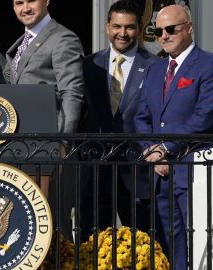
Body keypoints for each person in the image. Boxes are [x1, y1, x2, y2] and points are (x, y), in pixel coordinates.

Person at [0, 0, 85, 240]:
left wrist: (62, 142)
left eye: (31, 1)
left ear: (46, 1)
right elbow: (7, 81)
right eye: (18, 3)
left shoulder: (63, 38)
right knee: (27, 228)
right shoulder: (24, 41)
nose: (25, 8)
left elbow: (71, 93)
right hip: (21, 150)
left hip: (51, 151)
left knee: (54, 228)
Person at [135, 4, 213, 268]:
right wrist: (152, 152)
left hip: (194, 172)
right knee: (171, 242)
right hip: (161, 174)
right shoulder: (155, 69)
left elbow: (203, 117)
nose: (164, 36)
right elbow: (141, 117)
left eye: (171, 29)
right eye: (158, 31)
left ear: (189, 28)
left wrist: (165, 148)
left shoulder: (208, 64)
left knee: (202, 239)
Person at [80, 0, 159, 242]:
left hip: (139, 174)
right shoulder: (87, 65)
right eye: (117, 26)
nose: (122, 33)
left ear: (139, 27)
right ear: (106, 27)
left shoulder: (157, 66)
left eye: (129, 27)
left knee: (145, 247)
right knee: (90, 248)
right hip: (96, 170)